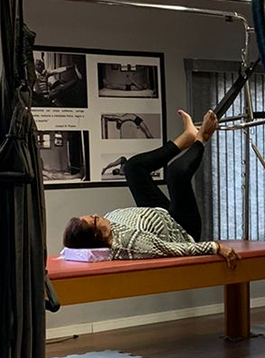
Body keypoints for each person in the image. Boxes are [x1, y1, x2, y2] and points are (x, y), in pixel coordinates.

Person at [63, 109, 239, 268]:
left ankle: (186, 137)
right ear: (97, 236)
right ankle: (201, 139)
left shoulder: (105, 226)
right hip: (181, 227)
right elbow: (173, 249)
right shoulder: (131, 244)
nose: (96, 215)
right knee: (175, 174)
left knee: (132, 168)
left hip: (159, 215)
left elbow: (69, 249)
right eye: (93, 220)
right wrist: (215, 247)